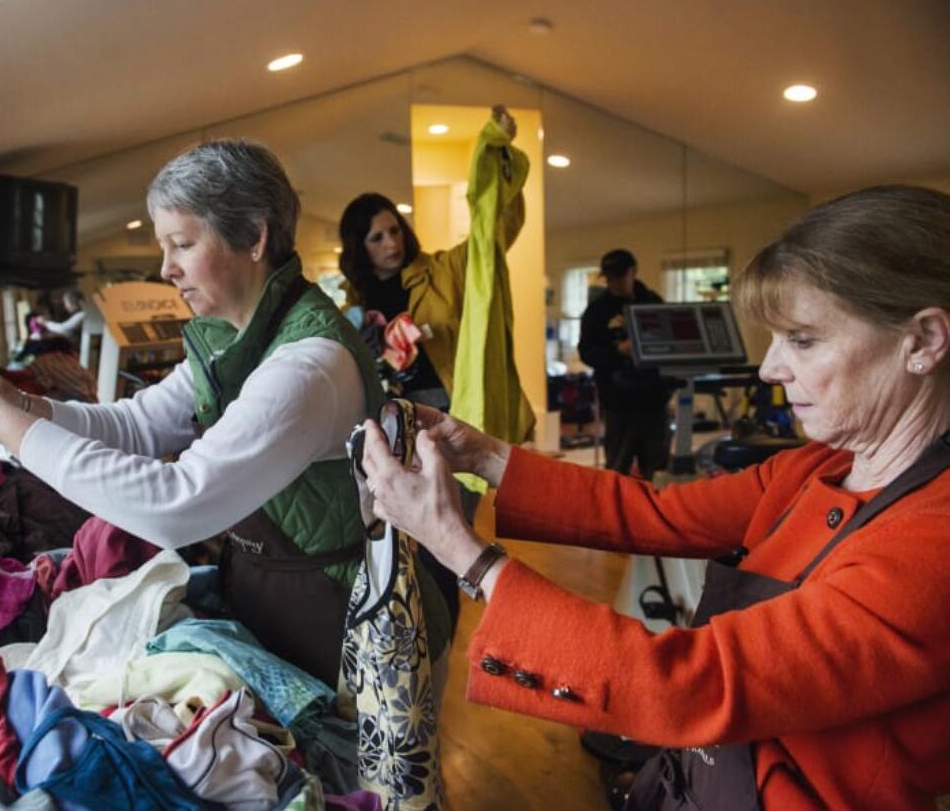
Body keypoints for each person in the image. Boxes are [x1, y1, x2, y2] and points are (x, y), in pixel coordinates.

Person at [358, 185, 950, 810]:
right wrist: (483, 455)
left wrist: (460, 548)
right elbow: (657, 512)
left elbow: (695, 684)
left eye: (802, 340)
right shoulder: (817, 468)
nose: (772, 368)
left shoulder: (932, 541)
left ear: (923, 341)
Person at [0, 139, 451, 686]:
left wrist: (3, 426)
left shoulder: (308, 366)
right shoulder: (236, 337)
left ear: (252, 236)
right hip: (283, 597)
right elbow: (135, 426)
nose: (166, 268)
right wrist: (13, 404)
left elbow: (177, 504)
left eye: (182, 244)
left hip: (341, 621)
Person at [339, 105, 531, 625]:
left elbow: (494, 233)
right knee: (395, 527)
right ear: (359, 245)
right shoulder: (350, 302)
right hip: (386, 418)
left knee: (449, 521)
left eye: (394, 230)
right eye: (377, 237)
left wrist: (498, 160)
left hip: (443, 409)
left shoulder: (443, 270)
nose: (392, 243)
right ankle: (405, 621)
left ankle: (443, 621)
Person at [578, 248, 673, 479]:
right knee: (617, 471)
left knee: (657, 471)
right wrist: (617, 350)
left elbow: (669, 342)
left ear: (632, 272)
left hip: (654, 400)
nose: (614, 283)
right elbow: (587, 352)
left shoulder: (653, 303)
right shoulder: (597, 311)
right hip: (619, 402)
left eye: (619, 276)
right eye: (609, 278)